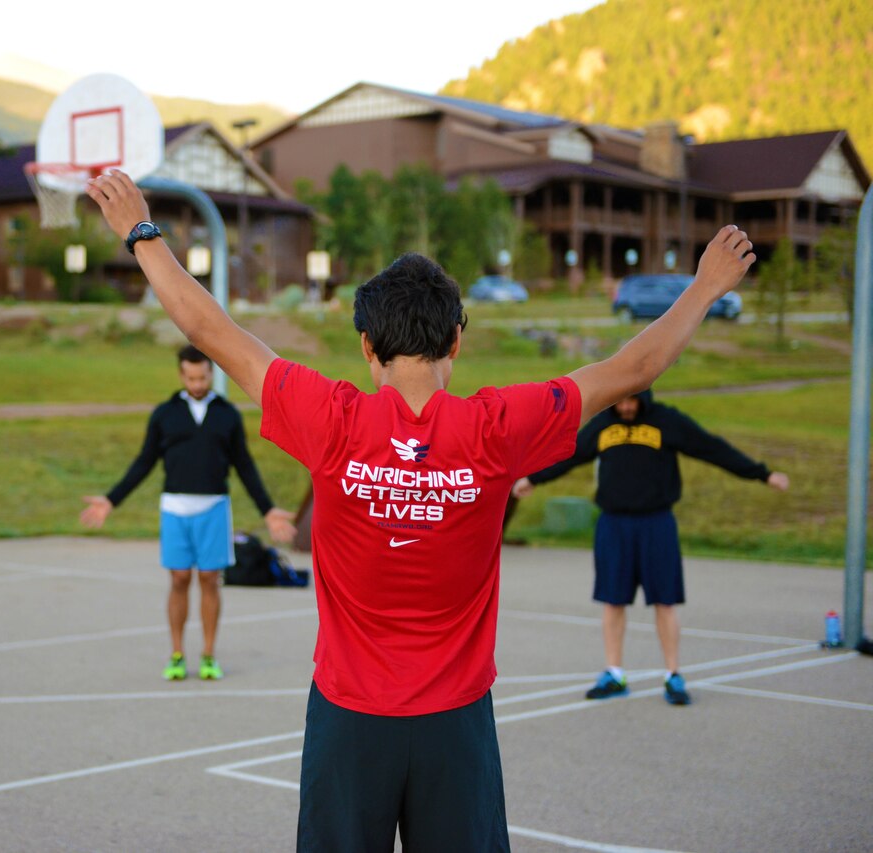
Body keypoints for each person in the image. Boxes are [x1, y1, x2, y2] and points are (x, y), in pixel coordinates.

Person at [86, 169, 755, 851]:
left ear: (368, 347)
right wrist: (704, 285)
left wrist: (141, 232)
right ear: (456, 341)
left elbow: (208, 326)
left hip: (349, 718)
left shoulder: (331, 418)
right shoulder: (496, 427)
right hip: (455, 724)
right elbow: (633, 367)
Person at [511, 389, 789, 705]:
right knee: (612, 600)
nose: (627, 407)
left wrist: (762, 474)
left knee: (664, 601)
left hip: (657, 523)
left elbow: (711, 448)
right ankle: (614, 673)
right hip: (614, 524)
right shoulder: (603, 424)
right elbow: (569, 454)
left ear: (645, 399)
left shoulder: (666, 421)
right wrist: (532, 478)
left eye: (633, 401)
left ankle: (673, 675)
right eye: (622, 402)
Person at [79, 345, 296, 681]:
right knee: (179, 579)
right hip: (175, 509)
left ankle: (208, 654)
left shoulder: (227, 415)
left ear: (211, 374)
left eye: (203, 376)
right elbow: (144, 461)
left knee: (210, 580)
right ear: (182, 375)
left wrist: (268, 510)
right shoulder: (165, 414)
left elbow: (244, 466)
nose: (197, 383)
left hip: (213, 509)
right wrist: (111, 500)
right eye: (191, 377)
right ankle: (177, 654)